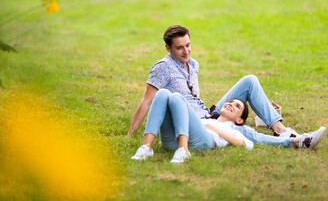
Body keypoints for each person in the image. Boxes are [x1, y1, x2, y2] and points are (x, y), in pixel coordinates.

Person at [127, 24, 323, 147]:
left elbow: (194, 95)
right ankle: (295, 142)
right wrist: (130, 135)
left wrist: (218, 117)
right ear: (168, 48)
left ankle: (280, 129)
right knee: (242, 132)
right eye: (180, 48)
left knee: (250, 80)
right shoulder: (162, 68)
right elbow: (147, 101)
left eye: (188, 45)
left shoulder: (193, 64)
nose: (186, 51)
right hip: (191, 121)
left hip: (206, 114)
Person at [131, 91, 327, 163]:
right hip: (173, 139)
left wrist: (212, 127)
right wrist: (207, 121)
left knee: (176, 97)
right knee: (165, 94)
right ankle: (146, 148)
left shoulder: (238, 129)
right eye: (231, 101)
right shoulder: (209, 119)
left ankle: (301, 140)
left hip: (203, 140)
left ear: (239, 119)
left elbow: (247, 144)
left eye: (237, 106)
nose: (231, 104)